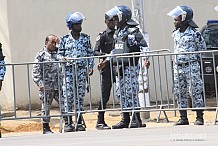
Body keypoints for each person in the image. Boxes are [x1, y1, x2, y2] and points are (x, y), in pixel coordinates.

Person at [98, 5, 150, 129]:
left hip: (130, 66)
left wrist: (146, 59)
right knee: (121, 93)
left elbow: (144, 46)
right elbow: (116, 50)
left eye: (116, 17)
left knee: (130, 92)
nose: (114, 19)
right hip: (119, 67)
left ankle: (136, 119)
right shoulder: (118, 32)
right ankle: (125, 119)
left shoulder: (133, 31)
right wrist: (106, 60)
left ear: (123, 17)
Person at [167, 6, 206, 125]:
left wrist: (194, 61)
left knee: (195, 90)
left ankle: (199, 117)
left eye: (176, 19)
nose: (174, 22)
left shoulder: (194, 33)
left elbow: (202, 49)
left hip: (191, 65)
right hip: (178, 66)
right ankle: (183, 117)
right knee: (179, 91)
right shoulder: (175, 34)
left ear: (184, 19)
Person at [57, 12, 94, 132]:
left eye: (80, 23)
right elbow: (59, 54)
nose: (79, 26)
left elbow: (90, 53)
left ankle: (79, 122)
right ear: (71, 26)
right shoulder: (65, 39)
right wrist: (63, 59)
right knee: (68, 96)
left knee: (80, 96)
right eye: (77, 24)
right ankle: (68, 122)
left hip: (81, 71)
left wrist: (90, 66)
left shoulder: (86, 38)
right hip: (68, 71)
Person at [32, 34, 62, 134]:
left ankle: (68, 123)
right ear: (46, 43)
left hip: (59, 85)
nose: (54, 45)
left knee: (65, 103)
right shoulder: (41, 55)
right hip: (46, 86)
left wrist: (59, 42)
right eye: (52, 42)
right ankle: (46, 127)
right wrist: (40, 83)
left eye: (55, 42)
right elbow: (35, 71)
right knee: (46, 107)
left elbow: (65, 50)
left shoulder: (58, 52)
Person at [94, 9, 116, 130]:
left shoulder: (119, 34)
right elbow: (95, 52)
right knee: (105, 95)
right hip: (107, 69)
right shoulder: (102, 35)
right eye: (110, 21)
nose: (113, 23)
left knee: (122, 93)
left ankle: (127, 118)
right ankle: (100, 121)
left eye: (114, 20)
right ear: (105, 21)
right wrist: (105, 55)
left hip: (118, 66)